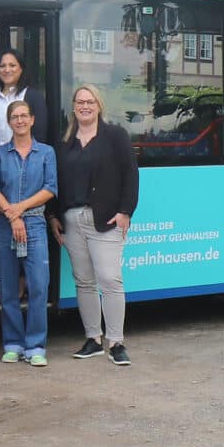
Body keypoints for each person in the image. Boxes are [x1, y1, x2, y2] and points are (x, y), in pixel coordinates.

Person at [49, 85, 138, 366]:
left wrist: (125, 211)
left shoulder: (114, 135)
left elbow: (130, 174)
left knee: (110, 280)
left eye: (90, 102)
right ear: (73, 106)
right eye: (79, 102)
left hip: (106, 219)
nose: (84, 106)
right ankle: (93, 339)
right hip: (72, 220)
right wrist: (53, 216)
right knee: (84, 282)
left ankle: (116, 342)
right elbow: (55, 182)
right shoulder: (64, 141)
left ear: (98, 105)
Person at [0, 100, 57, 367]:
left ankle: (36, 345)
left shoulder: (46, 152)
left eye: (24, 115)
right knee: (8, 288)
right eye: (14, 116)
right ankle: (13, 343)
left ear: (32, 119)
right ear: (9, 121)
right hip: (3, 226)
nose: (20, 121)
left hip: (35, 224)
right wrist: (11, 215)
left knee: (39, 286)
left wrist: (20, 210)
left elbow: (50, 188)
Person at [0, 48, 49, 148]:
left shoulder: (34, 97)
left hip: (25, 159)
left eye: (12, 65)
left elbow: (40, 134)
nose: (7, 70)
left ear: (21, 69)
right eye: (2, 66)